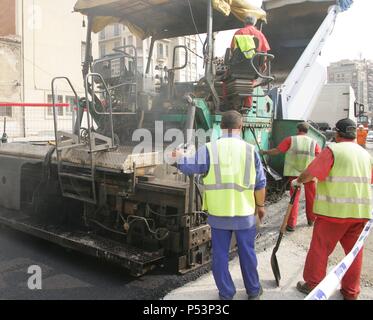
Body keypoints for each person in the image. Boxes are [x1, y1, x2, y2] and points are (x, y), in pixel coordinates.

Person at [171, 110, 267, 300]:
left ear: (221, 127)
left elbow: (190, 168)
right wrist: (261, 207)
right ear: (240, 127)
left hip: (219, 214)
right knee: (247, 254)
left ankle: (226, 294)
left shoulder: (209, 149)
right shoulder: (250, 150)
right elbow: (260, 184)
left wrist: (179, 156)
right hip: (245, 214)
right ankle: (254, 291)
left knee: (220, 257)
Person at [293, 118, 372, 300]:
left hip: (333, 213)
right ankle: (351, 292)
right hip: (360, 214)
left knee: (320, 249)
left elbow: (310, 174)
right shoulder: (365, 154)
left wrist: (298, 181)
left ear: (337, 134)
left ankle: (313, 285)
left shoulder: (333, 150)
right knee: (353, 254)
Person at [261, 122, 321, 231]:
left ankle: (291, 224)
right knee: (311, 197)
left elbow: (277, 151)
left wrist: (264, 152)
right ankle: (311, 220)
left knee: (294, 199)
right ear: (308, 131)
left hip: (294, 174)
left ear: (298, 129)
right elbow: (319, 159)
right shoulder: (314, 142)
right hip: (309, 174)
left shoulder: (291, 140)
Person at [230, 15, 270, 108]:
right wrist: (263, 64)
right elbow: (264, 51)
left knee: (225, 80)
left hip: (238, 66)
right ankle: (248, 104)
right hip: (253, 67)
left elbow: (233, 49)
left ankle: (229, 101)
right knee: (251, 81)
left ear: (244, 22)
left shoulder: (239, 32)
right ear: (254, 23)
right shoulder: (260, 34)